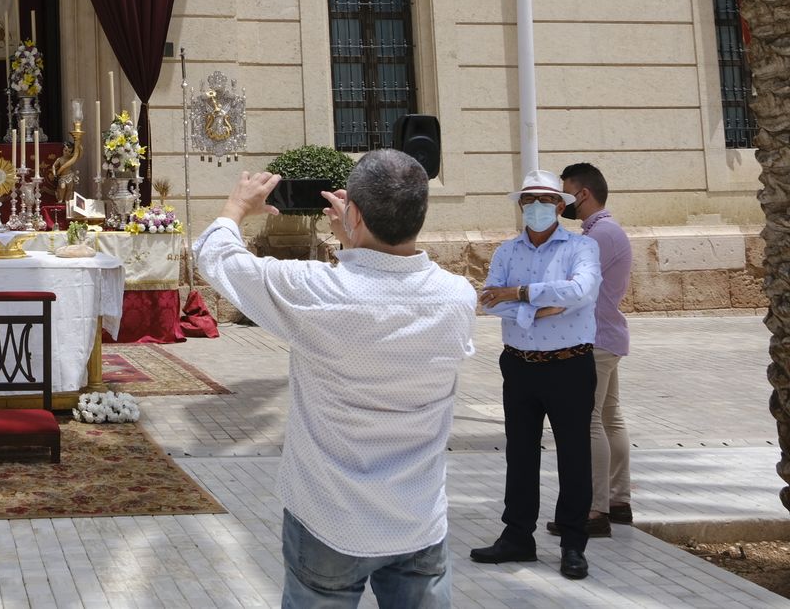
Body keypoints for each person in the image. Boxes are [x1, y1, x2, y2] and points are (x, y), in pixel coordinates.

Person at [193, 150, 476, 608]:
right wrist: (358, 240)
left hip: (330, 516)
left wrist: (235, 208)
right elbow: (383, 297)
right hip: (416, 516)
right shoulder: (457, 297)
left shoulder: (317, 292)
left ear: (356, 213)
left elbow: (216, 256)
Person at [470, 169, 602, 581]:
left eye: (545, 201)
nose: (537, 208)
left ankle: (573, 543)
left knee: (574, 455)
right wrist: (539, 306)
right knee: (520, 452)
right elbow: (490, 301)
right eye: (529, 201)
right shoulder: (507, 252)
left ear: (561, 206)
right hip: (520, 364)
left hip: (570, 364)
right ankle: (517, 536)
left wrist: (520, 293)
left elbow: (581, 292)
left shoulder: (583, 247)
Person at [556, 162, 633, 533]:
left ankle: (595, 511)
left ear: (582, 194)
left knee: (589, 422)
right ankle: (618, 501)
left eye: (564, 193)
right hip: (608, 336)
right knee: (609, 418)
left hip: (596, 339)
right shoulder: (606, 231)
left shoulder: (599, 236)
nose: (561, 201)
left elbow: (568, 282)